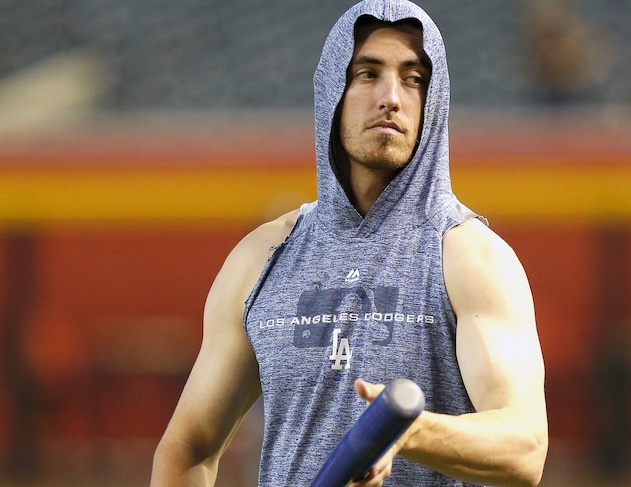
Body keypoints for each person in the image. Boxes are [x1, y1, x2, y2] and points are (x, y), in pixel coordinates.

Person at [151, 0, 548, 486]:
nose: (391, 97)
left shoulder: (471, 257)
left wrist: (408, 432)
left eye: (413, 78)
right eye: (367, 74)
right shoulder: (260, 259)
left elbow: (524, 447)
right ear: (331, 93)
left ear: (434, 100)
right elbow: (188, 445)